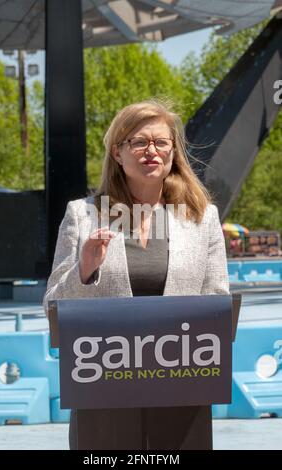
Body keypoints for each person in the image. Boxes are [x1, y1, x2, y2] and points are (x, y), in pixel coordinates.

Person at [43, 99, 230, 450]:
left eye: (161, 142)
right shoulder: (84, 215)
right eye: (139, 142)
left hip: (180, 386)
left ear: (173, 151)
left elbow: (217, 303)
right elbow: (53, 307)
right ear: (117, 152)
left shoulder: (201, 217)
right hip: (103, 386)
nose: (151, 151)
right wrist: (83, 270)